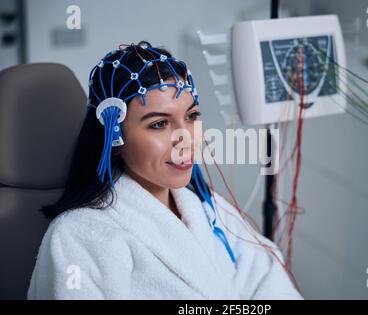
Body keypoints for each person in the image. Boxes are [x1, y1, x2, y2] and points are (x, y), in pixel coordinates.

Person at [27, 41, 302, 300]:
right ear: (114, 137)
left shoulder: (206, 207)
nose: (186, 138)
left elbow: (268, 280)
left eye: (191, 116)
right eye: (159, 124)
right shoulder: (79, 236)